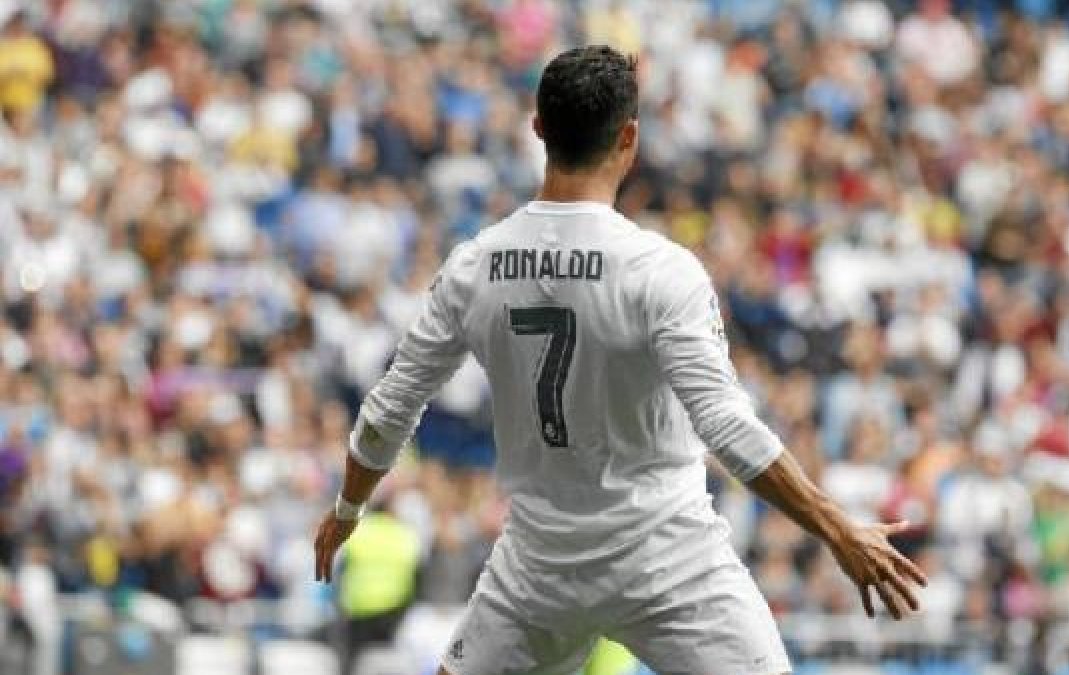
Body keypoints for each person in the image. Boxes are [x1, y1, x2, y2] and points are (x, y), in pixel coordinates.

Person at [313, 46, 926, 675]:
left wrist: (348, 510)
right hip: (668, 557)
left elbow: (390, 409)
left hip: (540, 568)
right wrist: (837, 527)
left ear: (538, 128)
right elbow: (726, 426)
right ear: (629, 137)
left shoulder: (475, 266)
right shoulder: (660, 271)